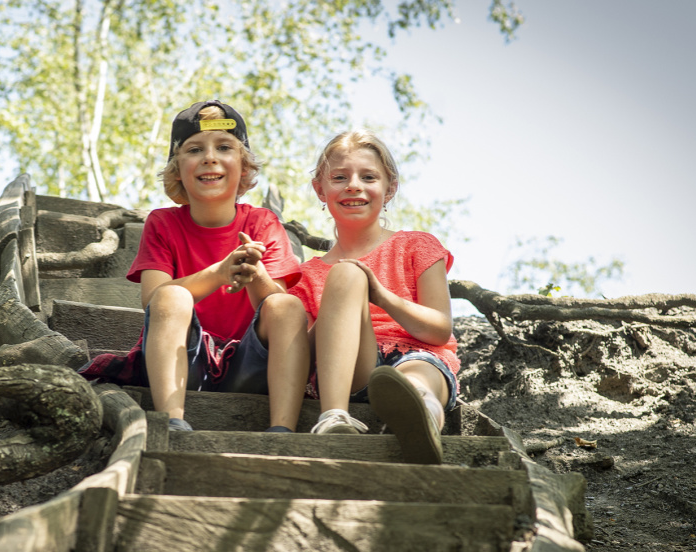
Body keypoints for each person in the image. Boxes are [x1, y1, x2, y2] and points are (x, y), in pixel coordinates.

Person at [126, 100, 309, 433]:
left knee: (287, 305)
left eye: (224, 147)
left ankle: (283, 429)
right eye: (195, 149)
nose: (209, 157)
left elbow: (278, 304)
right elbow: (151, 299)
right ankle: (171, 420)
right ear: (177, 168)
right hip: (186, 359)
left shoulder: (263, 222)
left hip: (249, 364)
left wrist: (256, 274)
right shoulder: (162, 223)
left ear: (243, 166)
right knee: (170, 297)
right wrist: (220, 273)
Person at [290, 130, 458, 464]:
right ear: (319, 189)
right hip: (351, 368)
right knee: (346, 273)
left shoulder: (416, 245)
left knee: (418, 383)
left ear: (390, 188)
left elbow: (439, 329)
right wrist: (341, 303)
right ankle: (334, 416)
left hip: (417, 354)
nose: (353, 185)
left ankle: (420, 425)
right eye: (339, 177)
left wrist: (381, 296)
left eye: (368, 177)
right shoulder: (307, 274)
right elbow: (302, 353)